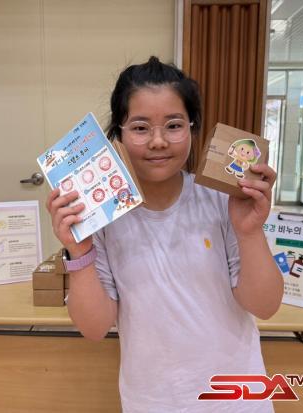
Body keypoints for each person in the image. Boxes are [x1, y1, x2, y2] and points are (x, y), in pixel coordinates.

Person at [46, 56, 283, 412]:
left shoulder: (223, 200)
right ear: (118, 134)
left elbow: (265, 306)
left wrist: (250, 233)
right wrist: (78, 252)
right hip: (152, 401)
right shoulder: (103, 218)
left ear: (192, 128)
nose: (158, 141)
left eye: (173, 125)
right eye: (140, 128)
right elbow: (94, 328)